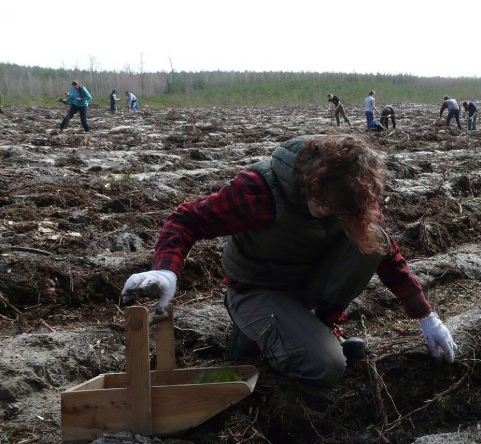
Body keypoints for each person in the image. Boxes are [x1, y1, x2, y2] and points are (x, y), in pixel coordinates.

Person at [120, 134, 457, 386]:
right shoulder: (260, 191)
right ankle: (253, 338)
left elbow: (387, 255)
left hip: (303, 282)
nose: (328, 212)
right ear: (310, 181)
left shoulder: (350, 197)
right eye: (323, 204)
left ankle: (320, 328)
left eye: (337, 208)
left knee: (371, 241)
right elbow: (186, 219)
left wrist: (425, 315)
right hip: (255, 290)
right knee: (327, 368)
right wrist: (166, 270)